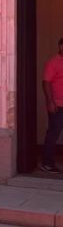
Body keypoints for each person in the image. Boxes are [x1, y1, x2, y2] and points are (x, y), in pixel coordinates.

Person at [42, 37, 63, 173]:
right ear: (61, 46)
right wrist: (50, 102)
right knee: (53, 133)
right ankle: (47, 163)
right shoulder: (53, 63)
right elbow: (46, 82)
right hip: (58, 105)